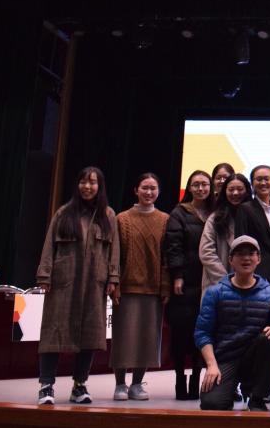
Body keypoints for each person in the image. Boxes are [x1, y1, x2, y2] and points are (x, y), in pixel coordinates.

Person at [35, 166, 119, 405]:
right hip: (63, 283)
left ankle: (79, 385)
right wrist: (45, 275)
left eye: (93, 182)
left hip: (94, 284)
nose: (87, 187)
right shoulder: (64, 213)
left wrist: (113, 278)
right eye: (83, 182)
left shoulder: (108, 215)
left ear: (100, 187)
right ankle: (46, 386)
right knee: (53, 333)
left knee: (90, 334)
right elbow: (49, 246)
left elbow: (114, 251)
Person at [195, 235, 270, 411]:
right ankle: (228, 389)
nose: (246, 258)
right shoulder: (215, 293)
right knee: (212, 404)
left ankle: (257, 397)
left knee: (269, 338)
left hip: (255, 359)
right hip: (225, 358)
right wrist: (211, 365)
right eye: (240, 254)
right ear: (231, 260)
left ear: (258, 259)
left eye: (251, 253)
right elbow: (202, 333)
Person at [111, 172, 170, 401]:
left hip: (153, 290)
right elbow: (115, 255)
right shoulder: (122, 219)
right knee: (123, 338)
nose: (149, 192)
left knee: (147, 339)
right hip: (127, 288)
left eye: (153, 188)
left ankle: (137, 384)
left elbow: (166, 257)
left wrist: (165, 286)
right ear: (136, 190)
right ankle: (120, 384)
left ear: (159, 192)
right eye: (144, 187)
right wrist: (115, 283)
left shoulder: (165, 219)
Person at [165, 169, 215, 400]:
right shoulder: (179, 212)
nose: (201, 188)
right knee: (181, 331)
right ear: (189, 187)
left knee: (203, 330)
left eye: (205, 184)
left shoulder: (216, 212)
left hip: (209, 280)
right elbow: (173, 246)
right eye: (196, 184)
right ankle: (179, 379)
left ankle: (197, 378)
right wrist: (177, 275)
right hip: (186, 282)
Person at [199, 174, 248, 296]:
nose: (235, 193)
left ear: (247, 191)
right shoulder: (215, 218)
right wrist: (226, 281)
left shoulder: (253, 216)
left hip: (248, 284)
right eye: (231, 189)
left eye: (240, 189)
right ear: (224, 192)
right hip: (218, 284)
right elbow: (206, 252)